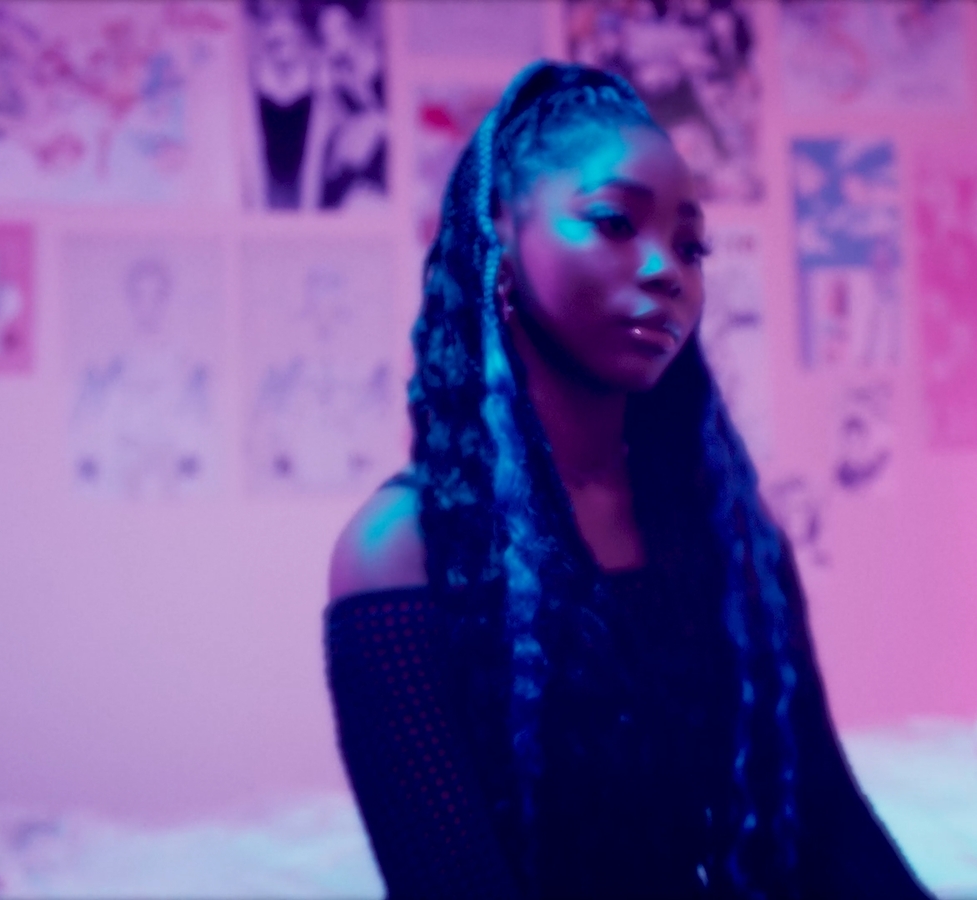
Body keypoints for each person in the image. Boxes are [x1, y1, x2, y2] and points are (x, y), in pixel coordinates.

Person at [325, 61, 929, 900]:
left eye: (691, 245)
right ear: (498, 234)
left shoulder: (737, 537)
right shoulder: (398, 552)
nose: (666, 271)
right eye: (615, 222)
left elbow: (827, 825)